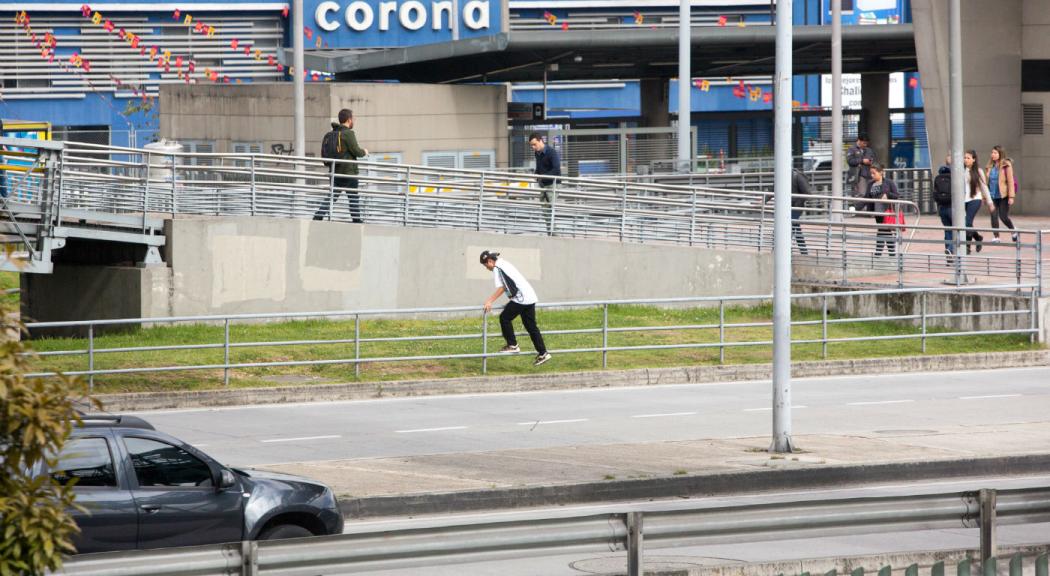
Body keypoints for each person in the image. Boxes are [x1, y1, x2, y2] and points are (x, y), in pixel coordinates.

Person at [479, 250, 551, 366]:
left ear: (490, 261)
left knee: (504, 318)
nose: (486, 268)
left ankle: (512, 345)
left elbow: (502, 287)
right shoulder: (504, 263)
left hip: (521, 299)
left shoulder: (497, 268)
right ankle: (543, 353)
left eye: (485, 265)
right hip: (530, 296)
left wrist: (489, 301)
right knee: (531, 327)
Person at [315, 108, 367, 223]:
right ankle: (356, 220)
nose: (354, 121)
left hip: (335, 172)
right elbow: (357, 151)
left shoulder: (332, 134)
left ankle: (318, 216)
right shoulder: (348, 134)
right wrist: (365, 151)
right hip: (349, 173)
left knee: (332, 197)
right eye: (354, 119)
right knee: (353, 198)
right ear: (349, 120)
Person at [864, 162, 899, 258]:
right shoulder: (870, 184)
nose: (872, 175)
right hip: (877, 212)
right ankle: (890, 254)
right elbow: (866, 197)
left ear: (881, 172)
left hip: (886, 211)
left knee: (883, 231)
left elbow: (896, 195)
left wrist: (887, 195)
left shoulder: (888, 182)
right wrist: (856, 207)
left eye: (874, 173)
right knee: (885, 231)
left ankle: (879, 254)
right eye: (871, 173)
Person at [963, 149, 995, 254]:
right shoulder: (961, 170)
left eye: (968, 158)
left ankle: (967, 247)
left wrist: (990, 202)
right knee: (966, 223)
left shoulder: (978, 171)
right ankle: (978, 238)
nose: (966, 160)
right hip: (963, 200)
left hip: (975, 199)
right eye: (965, 158)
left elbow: (984, 187)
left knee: (967, 222)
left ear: (974, 159)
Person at [986, 145, 1017, 242]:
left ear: (1000, 154)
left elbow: (1010, 181)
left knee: (1003, 216)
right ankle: (996, 236)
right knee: (993, 215)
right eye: (992, 153)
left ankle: (1013, 231)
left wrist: (1011, 196)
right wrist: (985, 196)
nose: (993, 155)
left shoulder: (1006, 165)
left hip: (1003, 196)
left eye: (995, 153)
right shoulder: (989, 166)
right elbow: (986, 182)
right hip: (992, 195)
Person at [933, 154, 955, 264]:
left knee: (947, 230)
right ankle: (951, 250)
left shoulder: (938, 178)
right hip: (953, 207)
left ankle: (948, 252)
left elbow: (935, 193)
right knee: (956, 229)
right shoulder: (955, 176)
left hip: (942, 207)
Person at [529, 133, 561, 203]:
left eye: (534, 144)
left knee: (550, 208)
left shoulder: (551, 152)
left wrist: (542, 177)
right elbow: (539, 166)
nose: (533, 147)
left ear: (540, 141)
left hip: (553, 184)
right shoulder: (537, 153)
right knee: (544, 208)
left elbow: (556, 169)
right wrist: (536, 174)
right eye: (531, 145)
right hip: (543, 184)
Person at [790, 168, 811, 255]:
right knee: (795, 227)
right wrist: (764, 200)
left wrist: (797, 202)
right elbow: (773, 189)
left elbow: (807, 193)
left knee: (790, 226)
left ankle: (802, 251)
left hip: (796, 207)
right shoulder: (780, 176)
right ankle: (803, 251)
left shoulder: (797, 176)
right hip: (786, 207)